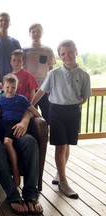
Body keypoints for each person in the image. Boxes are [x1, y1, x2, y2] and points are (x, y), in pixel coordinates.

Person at [0, 64, 43, 215]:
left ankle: (31, 194)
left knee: (30, 141)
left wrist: (25, 121)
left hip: (13, 130)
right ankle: (13, 195)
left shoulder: (7, 92)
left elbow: (28, 108)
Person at [31, 40, 91, 199]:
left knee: (68, 143)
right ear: (59, 56)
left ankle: (59, 173)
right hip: (56, 111)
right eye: (63, 54)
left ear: (76, 51)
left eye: (70, 52)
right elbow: (41, 91)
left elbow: (84, 97)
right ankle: (64, 182)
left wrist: (74, 104)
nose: (67, 56)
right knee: (60, 145)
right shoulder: (53, 73)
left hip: (73, 111)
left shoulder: (84, 75)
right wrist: (29, 106)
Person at [0, 73, 41, 187]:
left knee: (7, 142)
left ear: (17, 87)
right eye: (7, 87)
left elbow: (31, 108)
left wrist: (40, 117)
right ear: (2, 87)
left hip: (14, 125)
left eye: (13, 87)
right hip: (3, 124)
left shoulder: (21, 99)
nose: (10, 90)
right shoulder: (1, 100)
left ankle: (15, 170)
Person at [23, 23, 56, 123]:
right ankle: (34, 138)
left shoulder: (48, 50)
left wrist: (51, 87)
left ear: (42, 33)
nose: (36, 33)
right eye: (33, 31)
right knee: (30, 114)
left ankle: (48, 137)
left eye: (39, 31)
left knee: (48, 114)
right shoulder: (24, 50)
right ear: (29, 34)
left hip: (44, 88)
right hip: (29, 88)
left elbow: (51, 69)